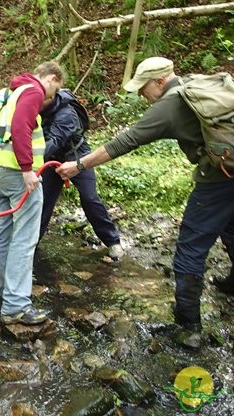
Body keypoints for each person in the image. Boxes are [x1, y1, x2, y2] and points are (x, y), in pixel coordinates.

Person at [57, 57, 234, 335]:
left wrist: (79, 164)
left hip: (218, 179)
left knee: (190, 247)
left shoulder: (169, 105)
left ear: (160, 81)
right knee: (231, 225)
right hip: (229, 172)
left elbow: (124, 142)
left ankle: (188, 328)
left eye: (143, 88)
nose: (142, 95)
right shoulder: (195, 86)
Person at [0, 61, 65, 325]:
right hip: (20, 177)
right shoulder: (33, 91)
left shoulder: (3, 94)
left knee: (4, 235)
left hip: (0, 173)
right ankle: (16, 307)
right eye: (53, 90)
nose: (50, 98)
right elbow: (20, 126)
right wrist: (26, 169)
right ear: (49, 77)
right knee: (25, 240)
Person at [40, 88, 124, 261]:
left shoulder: (66, 113)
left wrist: (26, 159)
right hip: (52, 159)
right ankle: (30, 243)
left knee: (89, 198)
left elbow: (54, 140)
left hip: (77, 156)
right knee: (43, 202)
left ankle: (113, 242)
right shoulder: (38, 108)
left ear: (50, 97)